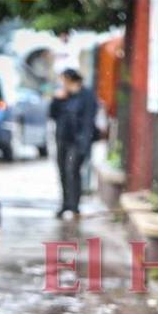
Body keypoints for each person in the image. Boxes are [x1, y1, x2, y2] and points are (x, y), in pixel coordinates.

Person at [49, 68, 98, 218]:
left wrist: (84, 142)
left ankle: (74, 206)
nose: (62, 83)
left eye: (64, 80)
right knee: (63, 171)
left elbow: (88, 120)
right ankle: (65, 205)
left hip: (78, 141)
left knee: (72, 171)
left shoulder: (86, 95)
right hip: (62, 138)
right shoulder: (64, 96)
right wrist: (56, 99)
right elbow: (52, 115)